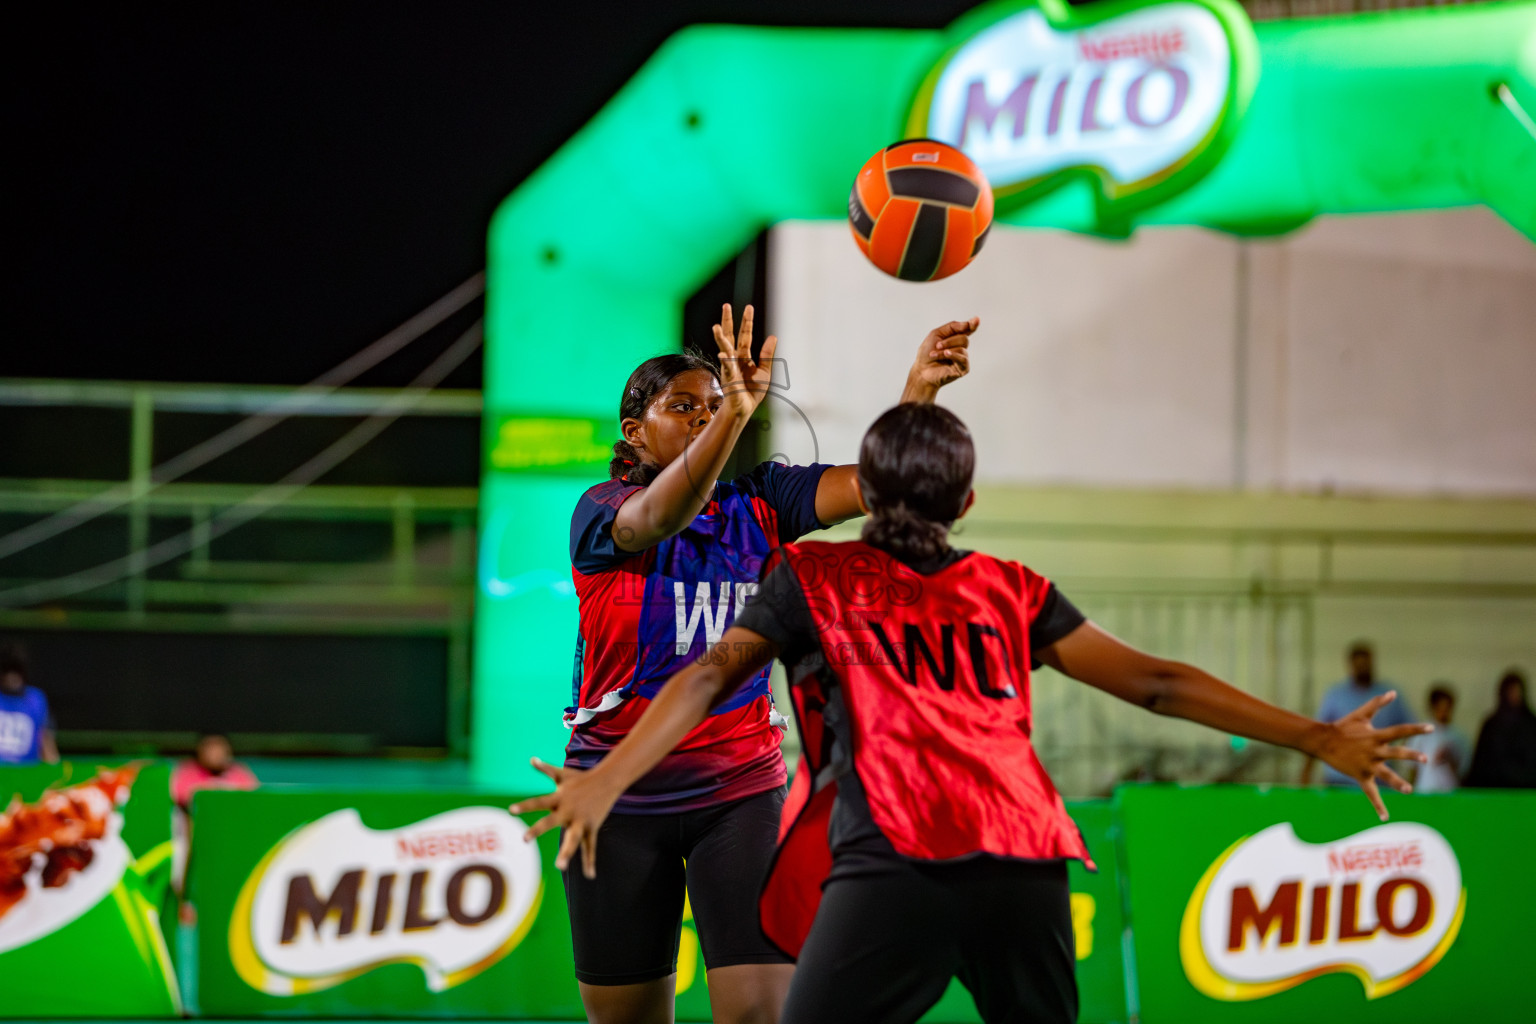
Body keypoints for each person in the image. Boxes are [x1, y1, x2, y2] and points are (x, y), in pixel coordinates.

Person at [513, 403, 1429, 1024]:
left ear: (866, 492)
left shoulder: (815, 580)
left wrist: (609, 777)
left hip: (895, 868)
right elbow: (1156, 682)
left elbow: (708, 678)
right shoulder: (1008, 587)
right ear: (970, 502)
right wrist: (1317, 737)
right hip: (1026, 871)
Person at [553, 304, 976, 1024]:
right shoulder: (602, 512)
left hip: (738, 790)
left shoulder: (763, 503)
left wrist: (919, 391)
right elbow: (662, 517)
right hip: (616, 795)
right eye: (682, 407)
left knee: (757, 1013)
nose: (702, 417)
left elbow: (878, 485)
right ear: (634, 433)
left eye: (713, 408)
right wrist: (733, 416)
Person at [1301, 640, 1413, 786]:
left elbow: (1409, 731)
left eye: (1366, 664)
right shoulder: (1335, 696)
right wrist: (1306, 771)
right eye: (1358, 665)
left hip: (1379, 779)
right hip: (1340, 779)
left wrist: (1407, 766)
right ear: (1351, 665)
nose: (1362, 668)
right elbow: (1318, 734)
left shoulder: (1387, 695)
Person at [1465, 669, 1536, 788]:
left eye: (1518, 691)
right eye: (1511, 691)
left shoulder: (1531, 723)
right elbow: (1481, 762)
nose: (1515, 696)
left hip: (1527, 790)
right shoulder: (1492, 724)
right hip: (1495, 789)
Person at [1406, 684, 1472, 793]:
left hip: (1450, 791)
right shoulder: (1420, 733)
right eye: (1440, 708)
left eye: (1447, 708)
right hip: (1425, 790)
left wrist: (1450, 759)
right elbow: (1412, 768)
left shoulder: (1458, 737)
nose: (1444, 712)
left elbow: (1463, 771)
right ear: (1432, 707)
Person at [0, 644, 58, 765]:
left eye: (17, 673)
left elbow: (46, 742)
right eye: (8, 673)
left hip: (28, 773)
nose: (12, 679)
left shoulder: (36, 699)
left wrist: (54, 767)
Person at [170, 734, 258, 811]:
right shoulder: (187, 771)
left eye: (219, 747)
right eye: (209, 747)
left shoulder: (239, 773)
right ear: (200, 750)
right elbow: (180, 797)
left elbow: (251, 798)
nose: (214, 752)